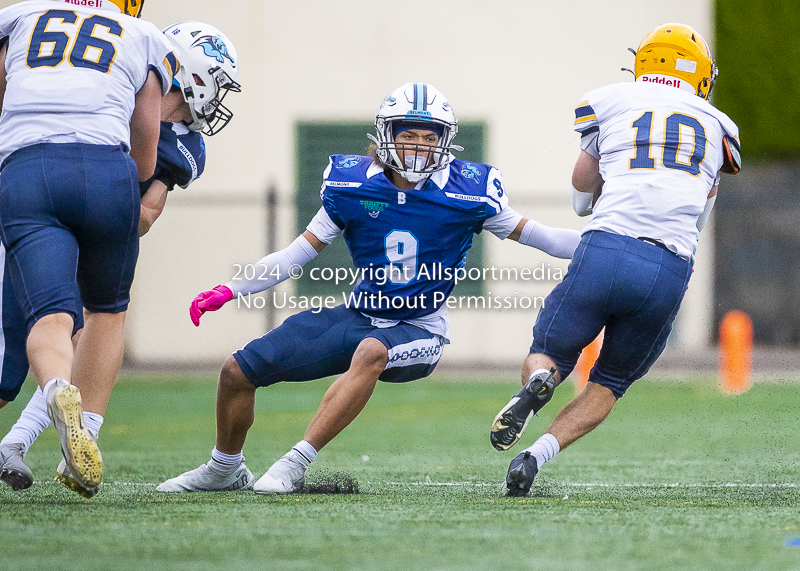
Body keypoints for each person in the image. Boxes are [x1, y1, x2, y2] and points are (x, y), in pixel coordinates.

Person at [157, 82, 582, 494]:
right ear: (386, 136)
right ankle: (224, 468)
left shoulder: (467, 190)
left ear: (445, 142)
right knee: (237, 370)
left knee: (371, 351)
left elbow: (540, 236)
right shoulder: (352, 184)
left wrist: (604, 243)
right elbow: (296, 254)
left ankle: (295, 463)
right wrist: (233, 289)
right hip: (359, 314)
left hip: (421, 329)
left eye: (429, 137)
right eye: (408, 135)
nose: (419, 146)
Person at [489, 23, 741, 496]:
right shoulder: (719, 125)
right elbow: (700, 215)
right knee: (608, 384)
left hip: (606, 248)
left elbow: (583, 196)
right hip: (668, 269)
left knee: (549, 352)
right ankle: (534, 457)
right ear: (701, 76)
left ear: (642, 63)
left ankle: (540, 382)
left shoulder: (609, 101)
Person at [0, 18, 240, 497]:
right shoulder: (147, 98)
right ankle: (61, 436)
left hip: (37, 192)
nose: (219, 99)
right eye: (217, 82)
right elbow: (147, 210)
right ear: (193, 74)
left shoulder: (139, 102)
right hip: (101, 209)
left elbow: (150, 208)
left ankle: (22, 439)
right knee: (87, 322)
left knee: (52, 328)